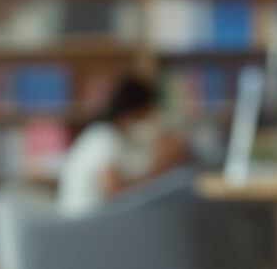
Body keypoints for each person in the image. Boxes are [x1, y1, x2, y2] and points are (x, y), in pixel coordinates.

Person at [58, 73, 188, 215]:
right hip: (90, 222)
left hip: (104, 220)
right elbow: (113, 192)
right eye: (148, 110)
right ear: (138, 109)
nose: (151, 116)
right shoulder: (102, 137)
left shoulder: (124, 136)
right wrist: (157, 169)